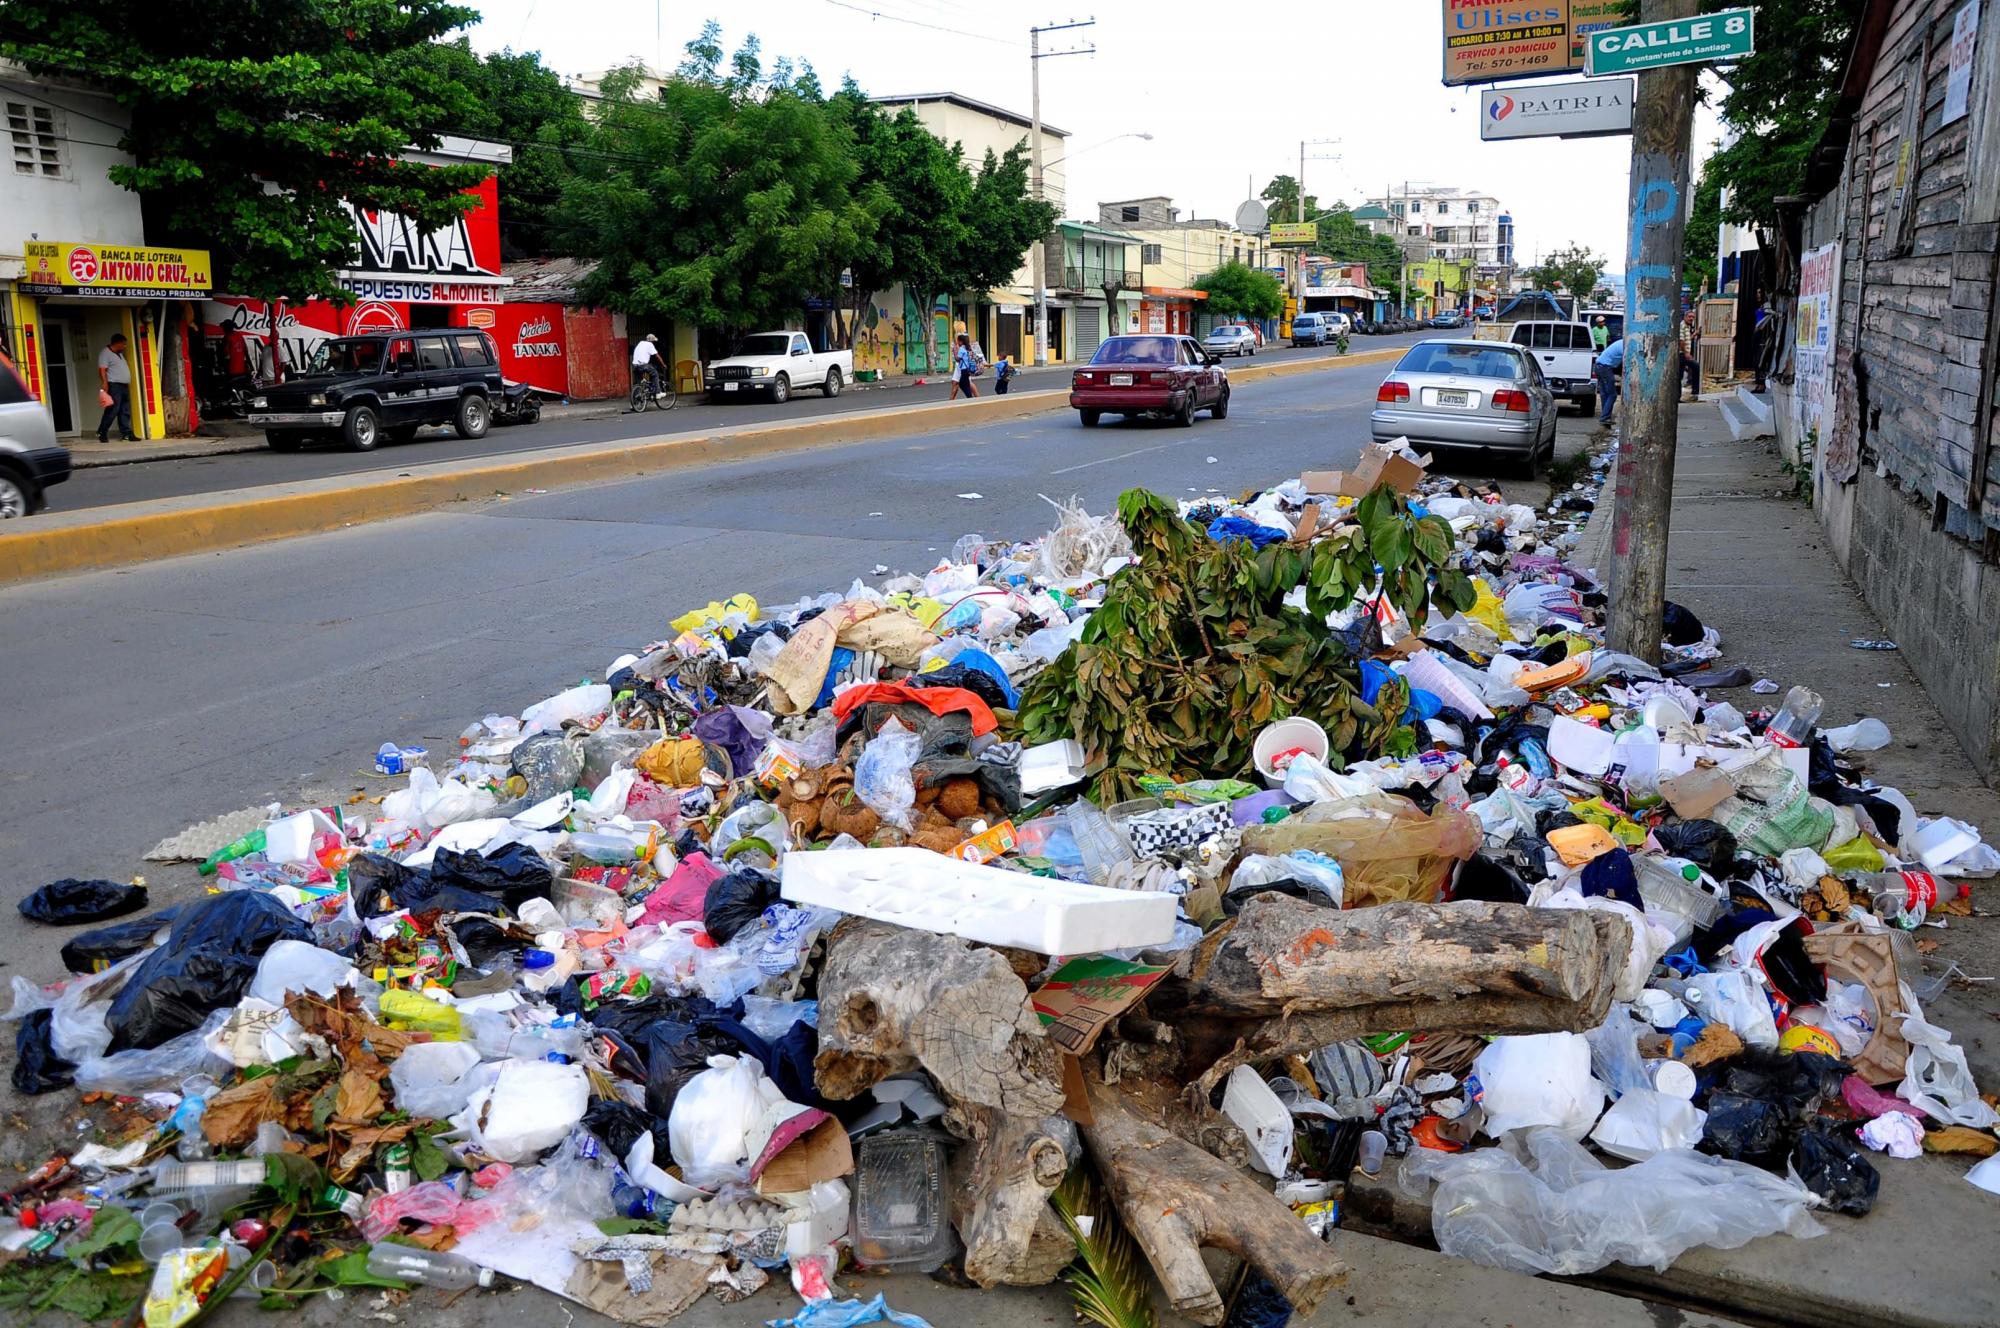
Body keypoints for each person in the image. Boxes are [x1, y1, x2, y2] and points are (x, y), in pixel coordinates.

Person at [97, 332, 136, 443]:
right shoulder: (105, 353)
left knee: (125, 410)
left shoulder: (119, 353)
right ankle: (102, 432)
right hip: (114, 385)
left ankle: (126, 434)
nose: (124, 346)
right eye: (123, 344)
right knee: (112, 410)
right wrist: (104, 383)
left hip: (123, 386)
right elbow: (102, 369)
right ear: (117, 343)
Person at [1593, 336, 1625, 428]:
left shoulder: (1620, 342)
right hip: (1605, 368)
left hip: (1599, 366)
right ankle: (1605, 417)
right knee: (1612, 394)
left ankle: (1605, 418)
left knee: (1605, 394)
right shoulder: (1625, 346)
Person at [630, 332, 664, 400]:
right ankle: (658, 392)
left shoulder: (640, 343)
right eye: (654, 341)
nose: (654, 343)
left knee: (638, 383)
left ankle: (635, 403)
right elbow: (657, 356)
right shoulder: (650, 344)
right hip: (643, 365)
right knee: (655, 374)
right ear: (652, 341)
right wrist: (663, 364)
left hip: (635, 365)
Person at [948, 332, 980, 400]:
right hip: (963, 367)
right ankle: (974, 397)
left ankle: (970, 397)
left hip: (962, 367)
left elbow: (958, 359)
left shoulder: (961, 348)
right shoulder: (965, 347)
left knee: (959, 383)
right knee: (963, 382)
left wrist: (954, 352)